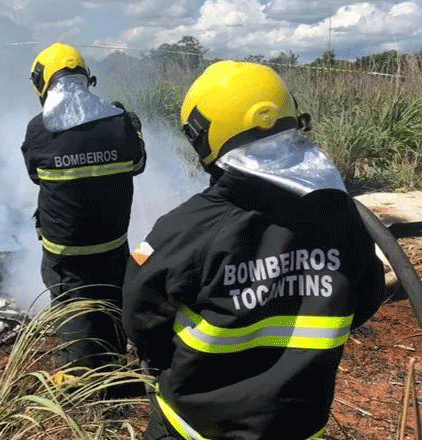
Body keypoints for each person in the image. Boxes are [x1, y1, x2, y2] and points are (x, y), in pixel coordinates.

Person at [122, 60, 386, 440]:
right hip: (297, 427)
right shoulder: (342, 217)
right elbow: (365, 300)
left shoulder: (187, 228)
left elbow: (142, 320)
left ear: (204, 136)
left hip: (195, 428)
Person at [20, 42, 146, 372]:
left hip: (65, 251)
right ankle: (113, 370)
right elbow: (139, 163)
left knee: (73, 309)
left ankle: (80, 386)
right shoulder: (119, 123)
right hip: (112, 244)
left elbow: (35, 176)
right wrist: (134, 129)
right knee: (110, 302)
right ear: (86, 78)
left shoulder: (38, 130)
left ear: (42, 83)